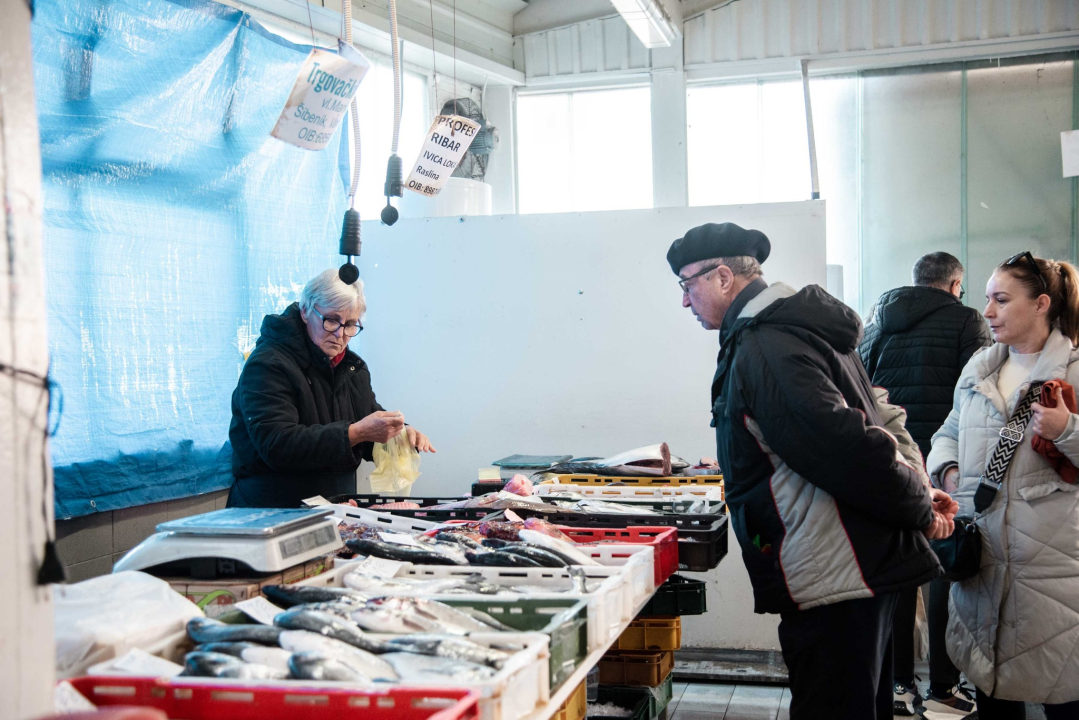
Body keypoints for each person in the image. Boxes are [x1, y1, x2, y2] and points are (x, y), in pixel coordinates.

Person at [668, 222, 957, 720]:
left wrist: (918, 506)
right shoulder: (792, 330)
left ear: (721, 277)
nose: (685, 301)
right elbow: (879, 418)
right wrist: (919, 490)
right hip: (857, 565)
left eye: (686, 285)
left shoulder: (767, 346)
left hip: (835, 570)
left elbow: (848, 446)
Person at [927, 252, 1079, 719]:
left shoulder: (1072, 370)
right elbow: (947, 432)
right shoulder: (978, 369)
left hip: (1053, 575)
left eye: (1001, 299)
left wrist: (1067, 431)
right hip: (983, 564)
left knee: (1064, 693)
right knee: (993, 694)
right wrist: (948, 469)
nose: (987, 311)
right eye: (987, 299)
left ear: (1041, 304)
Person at [859, 251, 991, 718]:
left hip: (890, 464)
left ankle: (897, 686)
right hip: (941, 465)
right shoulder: (966, 320)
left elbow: (862, 395)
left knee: (897, 569)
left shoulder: (875, 322)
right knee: (940, 571)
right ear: (956, 284)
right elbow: (976, 395)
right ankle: (942, 689)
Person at [227, 269, 435, 508]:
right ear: (305, 311)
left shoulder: (352, 368)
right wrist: (356, 432)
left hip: (337, 507)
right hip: (273, 510)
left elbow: (367, 422)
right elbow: (278, 445)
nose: (340, 334)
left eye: (350, 324)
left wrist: (398, 433)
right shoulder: (268, 365)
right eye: (331, 320)